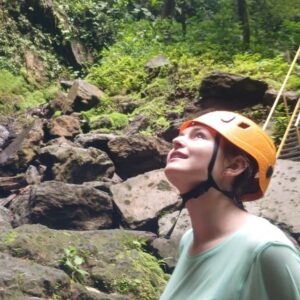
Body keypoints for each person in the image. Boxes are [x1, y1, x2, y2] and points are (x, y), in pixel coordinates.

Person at [160, 110, 300, 300]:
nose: (176, 141)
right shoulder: (189, 240)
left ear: (234, 166)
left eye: (199, 136)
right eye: (181, 136)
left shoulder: (266, 249)